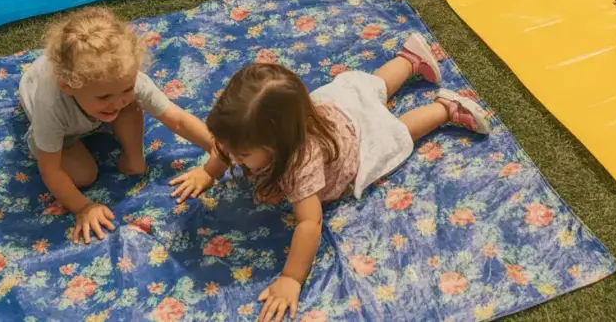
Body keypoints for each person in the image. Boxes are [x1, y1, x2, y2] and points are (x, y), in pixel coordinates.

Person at [169, 33, 490, 322]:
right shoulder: (261, 126)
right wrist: (208, 171)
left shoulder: (298, 166)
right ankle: (409, 60)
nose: (232, 156)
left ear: (278, 146)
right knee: (369, 89)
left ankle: (446, 108)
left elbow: (310, 224)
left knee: (396, 132)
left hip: (356, 147)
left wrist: (292, 278)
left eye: (243, 154)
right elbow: (224, 148)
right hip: (335, 107)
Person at [18, 7, 227, 245]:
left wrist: (218, 149)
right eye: (104, 97)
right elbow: (50, 170)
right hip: (63, 127)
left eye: (126, 89)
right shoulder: (51, 104)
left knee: (129, 106)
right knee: (83, 176)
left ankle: (133, 158)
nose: (117, 101)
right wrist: (83, 207)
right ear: (68, 86)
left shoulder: (121, 77)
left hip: (86, 107)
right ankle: (84, 140)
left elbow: (177, 119)